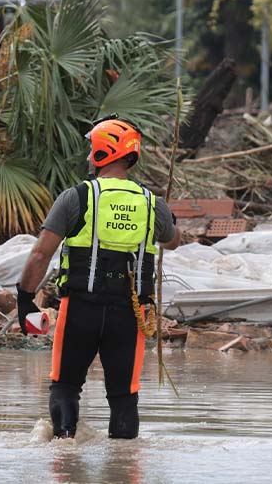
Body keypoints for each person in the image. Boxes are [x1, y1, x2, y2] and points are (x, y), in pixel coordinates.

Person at [15, 117, 180, 440]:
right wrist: (169, 218)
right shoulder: (152, 205)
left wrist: (24, 297)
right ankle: (123, 465)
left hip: (80, 310)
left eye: (93, 148)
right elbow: (172, 241)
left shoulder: (75, 197)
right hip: (130, 317)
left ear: (105, 152)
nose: (89, 154)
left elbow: (40, 254)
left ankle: (64, 454)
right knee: (123, 397)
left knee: (65, 386)